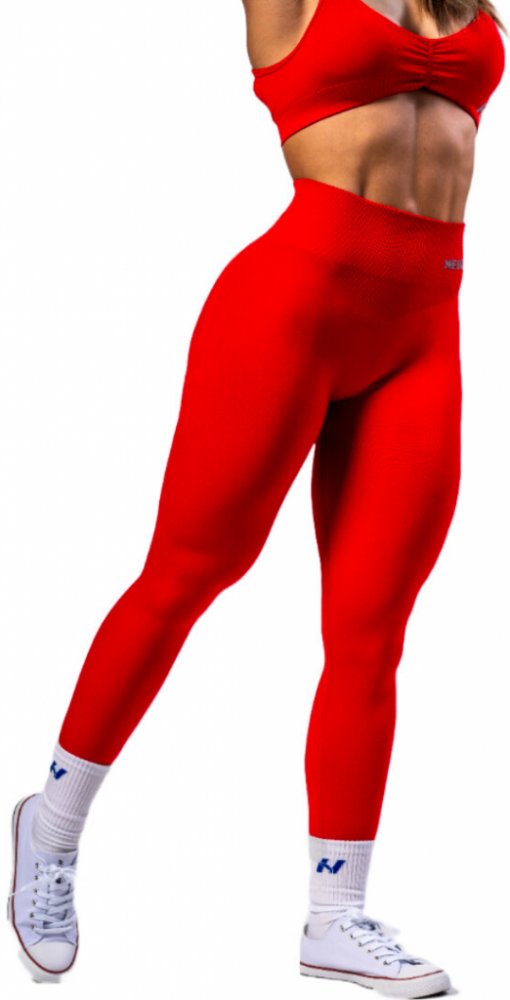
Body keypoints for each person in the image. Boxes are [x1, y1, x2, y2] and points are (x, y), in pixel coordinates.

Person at [7, 0, 506, 994]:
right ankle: (49, 828)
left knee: (371, 630)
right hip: (292, 309)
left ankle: (337, 916)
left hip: (424, 329)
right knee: (187, 573)